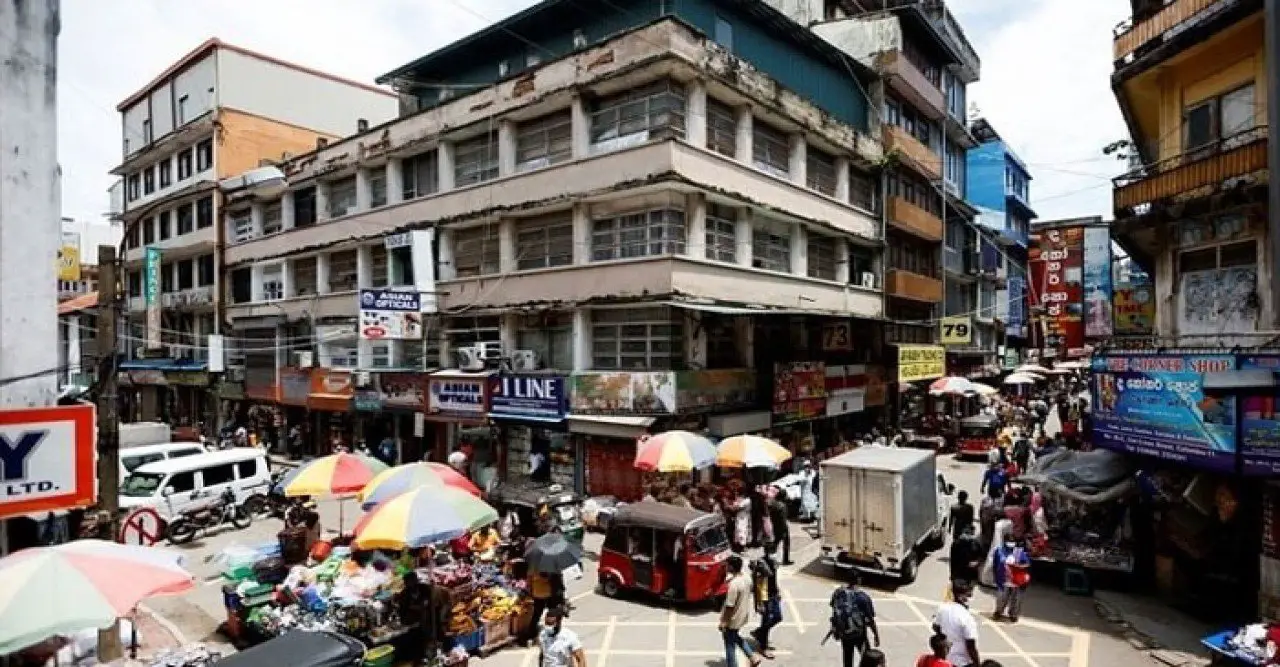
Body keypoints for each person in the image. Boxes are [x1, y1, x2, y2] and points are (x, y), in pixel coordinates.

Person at [719, 555, 763, 667]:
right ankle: (752, 657)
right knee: (734, 637)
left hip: (732, 619)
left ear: (732, 567)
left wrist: (724, 622)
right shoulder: (746, 578)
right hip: (743, 616)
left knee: (729, 645)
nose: (726, 567)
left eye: (728, 565)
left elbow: (729, 606)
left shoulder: (734, 585)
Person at [829, 575, 879, 667]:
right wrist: (876, 635)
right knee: (867, 658)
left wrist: (835, 627)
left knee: (847, 658)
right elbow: (870, 620)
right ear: (859, 580)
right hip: (859, 634)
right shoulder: (863, 597)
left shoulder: (838, 593)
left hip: (845, 633)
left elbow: (834, 609)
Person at [933, 580, 982, 667]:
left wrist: (945, 637)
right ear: (961, 597)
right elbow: (971, 646)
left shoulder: (943, 608)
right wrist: (977, 664)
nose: (970, 598)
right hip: (961, 663)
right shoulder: (967, 618)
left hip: (945, 659)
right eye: (969, 595)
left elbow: (935, 626)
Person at [751, 547, 782, 658]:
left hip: (773, 594)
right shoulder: (761, 565)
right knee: (766, 621)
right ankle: (762, 647)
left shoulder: (773, 563)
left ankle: (759, 632)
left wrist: (778, 591)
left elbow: (774, 579)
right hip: (765, 597)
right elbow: (758, 586)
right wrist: (760, 603)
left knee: (778, 617)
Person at [992, 538, 1031, 622]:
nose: (1011, 544)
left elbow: (1027, 563)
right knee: (1002, 598)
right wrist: (996, 577)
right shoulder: (999, 551)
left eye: (1012, 542)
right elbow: (995, 564)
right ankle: (998, 612)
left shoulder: (1019, 552)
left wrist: (1018, 566)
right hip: (1004, 580)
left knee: (1016, 600)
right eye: (1009, 541)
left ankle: (1013, 615)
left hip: (1016, 581)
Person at [523, 568, 555, 645]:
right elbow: (553, 580)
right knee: (552, 613)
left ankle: (531, 635)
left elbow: (528, 582)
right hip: (548, 593)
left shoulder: (533, 568)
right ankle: (552, 633)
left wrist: (530, 591)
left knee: (536, 615)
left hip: (537, 594)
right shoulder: (550, 567)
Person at [767, 493, 792, 565]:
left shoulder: (772, 504)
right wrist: (785, 528)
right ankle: (785, 560)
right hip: (782, 526)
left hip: (775, 526)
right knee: (786, 543)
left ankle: (770, 557)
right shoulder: (782, 505)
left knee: (775, 542)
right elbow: (783, 518)